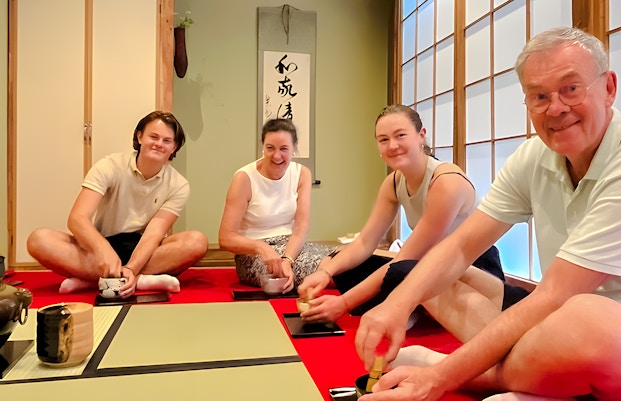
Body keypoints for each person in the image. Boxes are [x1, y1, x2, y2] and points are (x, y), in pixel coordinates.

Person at [355, 27, 621, 401]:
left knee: (592, 319)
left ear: (609, 88)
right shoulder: (534, 156)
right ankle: (543, 379)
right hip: (559, 325)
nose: (555, 108)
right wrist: (396, 304)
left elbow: (554, 294)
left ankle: (481, 376)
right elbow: (459, 247)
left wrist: (438, 377)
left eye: (571, 88)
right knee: (419, 273)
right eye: (539, 96)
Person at [297, 104, 506, 326]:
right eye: (384, 139)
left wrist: (344, 303)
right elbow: (365, 242)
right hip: (428, 264)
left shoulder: (446, 182)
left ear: (421, 135)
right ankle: (418, 308)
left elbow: (408, 258)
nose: (393, 145)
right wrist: (325, 272)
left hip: (473, 268)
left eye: (400, 135)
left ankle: (416, 308)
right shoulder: (394, 182)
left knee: (403, 269)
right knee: (343, 261)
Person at [27, 111, 209, 299]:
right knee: (39, 239)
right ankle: (140, 280)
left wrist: (132, 267)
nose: (158, 144)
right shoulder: (110, 165)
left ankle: (102, 278)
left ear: (175, 147)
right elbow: (77, 219)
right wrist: (103, 250)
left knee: (196, 241)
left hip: (144, 250)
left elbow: (154, 234)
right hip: (101, 246)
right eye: (153, 137)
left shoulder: (178, 184)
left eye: (167, 141)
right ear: (139, 137)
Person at [218, 118, 332, 293]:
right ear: (262, 146)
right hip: (253, 255)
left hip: (292, 247)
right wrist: (260, 247)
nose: (277, 156)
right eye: (270, 148)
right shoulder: (244, 178)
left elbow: (301, 226)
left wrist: (287, 259)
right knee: (334, 273)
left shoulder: (302, 173)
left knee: (344, 260)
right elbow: (225, 238)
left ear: (294, 148)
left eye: (284, 149)